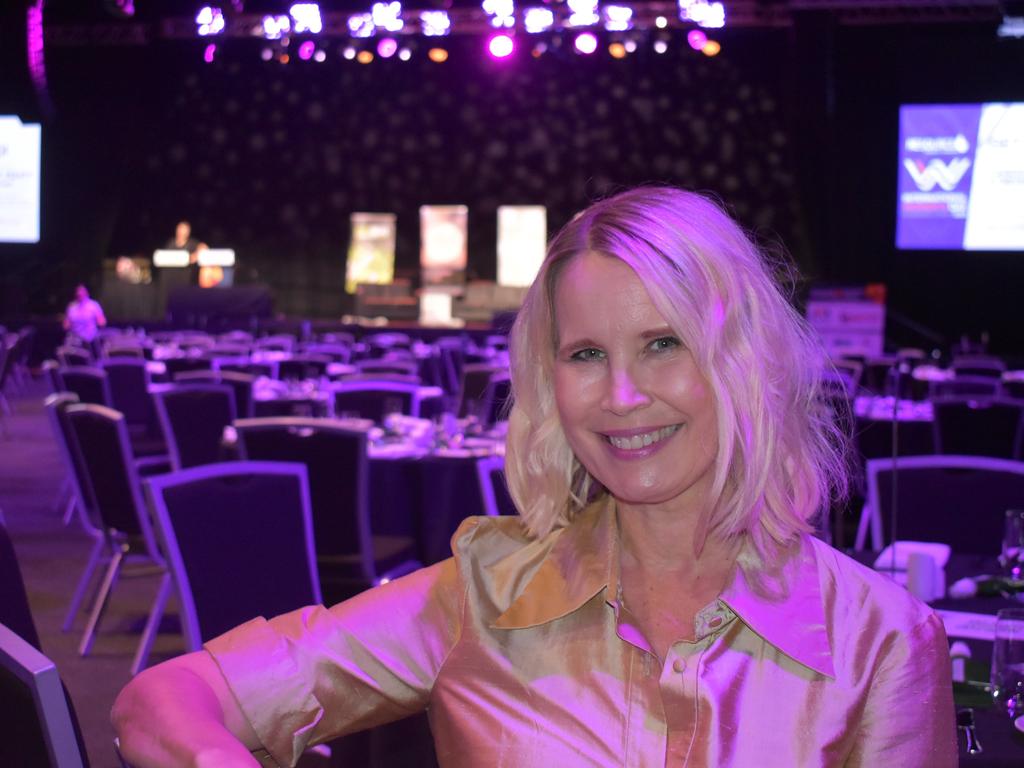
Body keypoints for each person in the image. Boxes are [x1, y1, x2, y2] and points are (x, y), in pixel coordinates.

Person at [113, 187, 956, 767]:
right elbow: (164, 699)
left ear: (741, 362)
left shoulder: (881, 643)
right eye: (586, 355)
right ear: (550, 382)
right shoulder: (483, 596)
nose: (623, 396)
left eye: (663, 344)